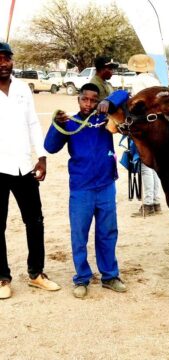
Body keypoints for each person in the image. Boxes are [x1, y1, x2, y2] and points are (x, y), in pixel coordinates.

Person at [44, 83, 129, 299]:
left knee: (108, 233)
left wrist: (108, 102)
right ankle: (81, 278)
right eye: (85, 99)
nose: (88, 104)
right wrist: (56, 124)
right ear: (78, 99)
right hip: (81, 188)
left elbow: (124, 94)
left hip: (106, 185)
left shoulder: (104, 117)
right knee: (79, 235)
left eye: (93, 99)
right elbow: (50, 147)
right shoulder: (70, 122)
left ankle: (110, 276)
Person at [0, 42, 61, 299]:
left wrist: (42, 157)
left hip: (24, 165)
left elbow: (34, 124)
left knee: (34, 221)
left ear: (13, 61)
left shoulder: (23, 88)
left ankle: (36, 273)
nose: (3, 63)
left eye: (7, 58)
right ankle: (2, 278)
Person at [127, 54, 163, 217]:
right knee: (154, 165)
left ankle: (148, 203)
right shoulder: (155, 81)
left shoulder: (137, 82)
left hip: (145, 126)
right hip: (159, 125)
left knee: (146, 165)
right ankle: (155, 202)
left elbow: (135, 105)